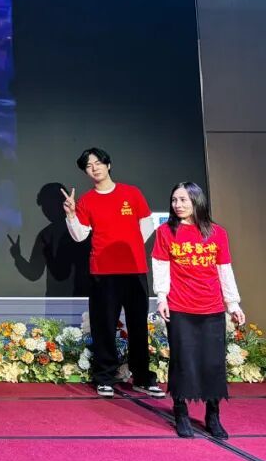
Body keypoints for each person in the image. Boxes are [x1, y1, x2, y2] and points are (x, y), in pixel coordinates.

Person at [63, 147, 164, 398]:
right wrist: (71, 215)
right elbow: (80, 236)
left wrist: (129, 248)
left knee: (138, 326)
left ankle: (142, 377)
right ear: (86, 172)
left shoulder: (131, 193)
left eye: (98, 163)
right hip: (103, 272)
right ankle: (105, 377)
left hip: (134, 270)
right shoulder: (87, 200)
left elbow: (147, 223)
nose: (94, 168)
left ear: (108, 165)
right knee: (104, 326)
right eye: (89, 166)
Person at [152, 182, 245, 438]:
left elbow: (224, 269)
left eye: (183, 200)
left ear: (196, 201)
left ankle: (212, 414)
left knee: (212, 363)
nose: (178, 205)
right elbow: (161, 267)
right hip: (180, 307)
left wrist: (233, 304)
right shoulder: (165, 232)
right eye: (174, 200)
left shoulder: (217, 233)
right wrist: (161, 298)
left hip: (211, 308)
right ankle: (181, 412)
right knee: (182, 361)